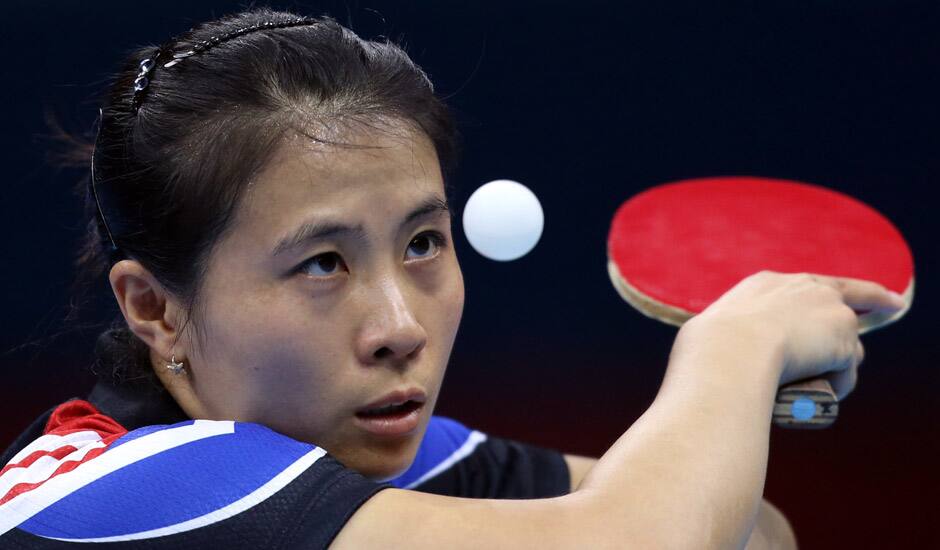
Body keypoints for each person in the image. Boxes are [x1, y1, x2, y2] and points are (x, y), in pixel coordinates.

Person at [0, 8, 905, 549]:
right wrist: (733, 353)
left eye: (424, 244)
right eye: (323, 263)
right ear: (156, 310)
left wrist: (733, 416)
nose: (400, 324)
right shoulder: (122, 492)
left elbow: (753, 535)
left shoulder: (354, 452)